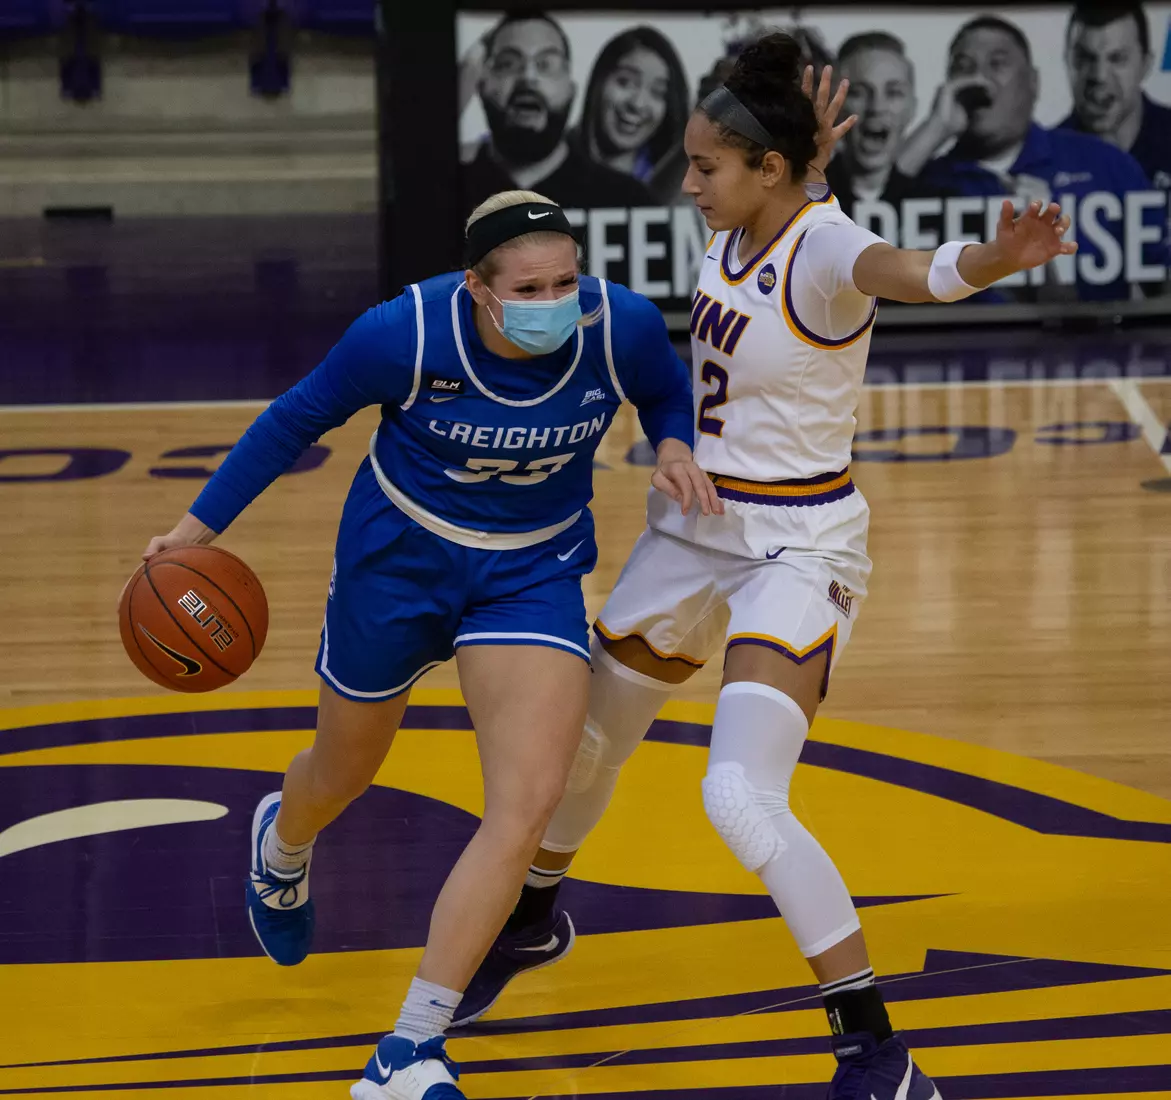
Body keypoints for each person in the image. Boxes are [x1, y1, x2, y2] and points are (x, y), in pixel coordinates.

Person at [461, 34, 1076, 1100]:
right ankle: (528, 919)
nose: (688, 179)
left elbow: (915, 272)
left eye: (706, 166)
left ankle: (876, 1052)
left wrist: (992, 260)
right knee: (587, 739)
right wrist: (806, 160)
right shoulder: (753, 214)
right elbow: (794, 201)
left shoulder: (826, 249)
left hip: (797, 543)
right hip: (695, 528)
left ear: (767, 168)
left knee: (740, 795)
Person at [137, 189, 716, 1100]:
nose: (555, 298)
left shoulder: (620, 326)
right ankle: (282, 844)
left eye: (566, 279)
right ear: (477, 289)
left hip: (530, 570)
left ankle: (409, 1048)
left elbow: (663, 387)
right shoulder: (400, 333)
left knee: (526, 804)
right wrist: (193, 532)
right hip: (396, 563)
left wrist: (674, 441)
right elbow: (296, 418)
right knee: (344, 770)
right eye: (529, 286)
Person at [900, 14, 1151, 302]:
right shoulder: (926, 180)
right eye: (964, 67)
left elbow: (1162, 285)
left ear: (1033, 83)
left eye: (997, 64)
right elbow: (859, 243)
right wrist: (935, 129)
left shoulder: (1105, 163)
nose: (979, 80)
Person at [460, 12, 653, 211]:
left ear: (571, 90)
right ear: (481, 87)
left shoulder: (628, 202)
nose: (528, 77)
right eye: (508, 64)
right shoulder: (442, 191)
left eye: (546, 64)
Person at [825, 32, 943, 221]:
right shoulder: (805, 197)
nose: (876, 108)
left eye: (893, 92)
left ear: (912, 108)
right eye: (859, 93)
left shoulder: (941, 200)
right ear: (836, 106)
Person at [1058, 0, 1171, 190]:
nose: (1099, 75)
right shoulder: (1041, 159)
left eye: (1117, 58)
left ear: (1145, 65)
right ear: (1067, 62)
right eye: (1084, 58)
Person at [573, 26, 690, 206]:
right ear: (598, 81)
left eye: (658, 92)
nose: (638, 104)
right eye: (625, 82)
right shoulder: (550, 166)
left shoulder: (684, 185)